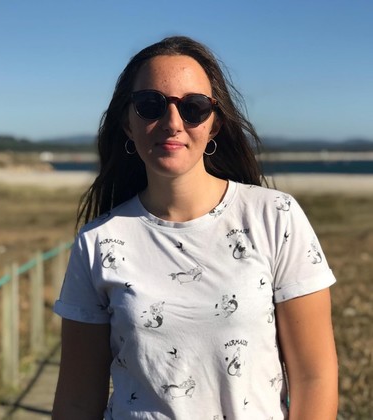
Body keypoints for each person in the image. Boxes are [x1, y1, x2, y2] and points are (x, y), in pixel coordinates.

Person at [52, 36, 338, 419]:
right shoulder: (97, 242)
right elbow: (77, 399)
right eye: (150, 105)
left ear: (214, 122)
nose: (173, 123)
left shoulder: (275, 217)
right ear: (127, 121)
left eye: (193, 108)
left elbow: (314, 377)